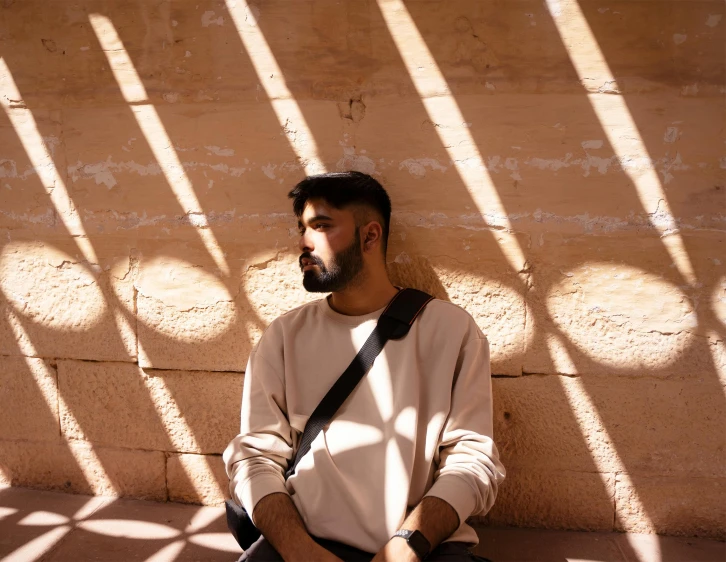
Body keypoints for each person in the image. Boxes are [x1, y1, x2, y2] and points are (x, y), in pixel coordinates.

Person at [223, 171, 505, 562]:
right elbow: (254, 458)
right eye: (301, 228)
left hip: (420, 547)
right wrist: (300, 551)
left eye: (321, 226)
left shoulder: (450, 330)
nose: (303, 243)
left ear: (370, 236)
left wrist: (409, 543)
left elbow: (472, 461)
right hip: (303, 544)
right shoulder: (284, 336)